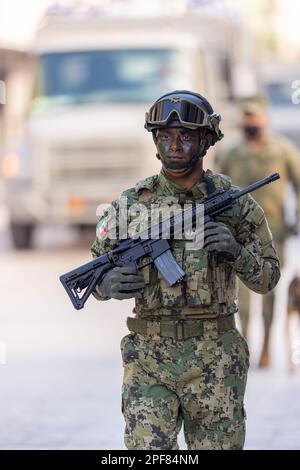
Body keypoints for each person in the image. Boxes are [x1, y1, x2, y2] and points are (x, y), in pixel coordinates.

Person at [90, 91, 280, 450]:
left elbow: (268, 279)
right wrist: (107, 284)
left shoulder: (235, 206)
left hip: (217, 357)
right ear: (155, 141)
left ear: (206, 141)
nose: (174, 145)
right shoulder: (129, 205)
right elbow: (94, 270)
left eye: (186, 136)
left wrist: (236, 252)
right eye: (165, 136)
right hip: (149, 356)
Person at [217, 98, 300, 367]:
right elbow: (218, 189)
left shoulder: (282, 150)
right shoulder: (232, 153)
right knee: (240, 295)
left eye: (256, 118)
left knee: (268, 291)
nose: (251, 124)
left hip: (272, 233)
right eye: (247, 119)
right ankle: (244, 344)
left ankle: (265, 345)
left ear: (264, 119)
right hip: (238, 233)